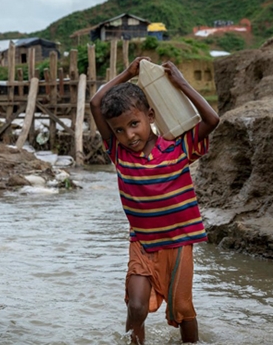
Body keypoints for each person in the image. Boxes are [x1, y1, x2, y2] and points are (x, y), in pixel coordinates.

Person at [89, 57, 220, 344]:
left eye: (134, 124)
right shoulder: (118, 153)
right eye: (120, 130)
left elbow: (212, 119)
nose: (129, 135)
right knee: (135, 306)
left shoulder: (179, 147)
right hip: (142, 244)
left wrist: (180, 84)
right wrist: (128, 72)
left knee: (183, 309)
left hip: (178, 242)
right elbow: (96, 103)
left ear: (151, 115)